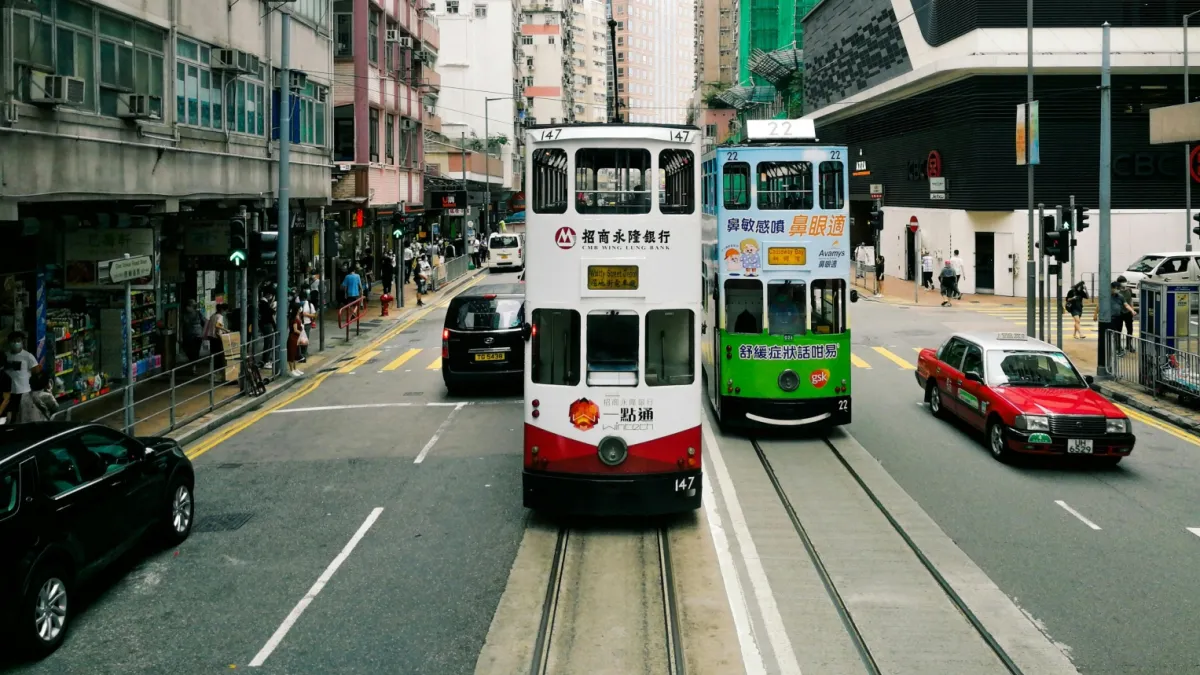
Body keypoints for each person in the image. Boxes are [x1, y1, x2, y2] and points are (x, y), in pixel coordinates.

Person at [5, 331, 42, 420]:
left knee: (23, 416)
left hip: (24, 392)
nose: (15, 343)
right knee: (10, 416)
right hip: (9, 392)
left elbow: (36, 371)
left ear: (22, 342)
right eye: (13, 341)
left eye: (18, 341)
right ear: (9, 342)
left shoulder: (28, 356)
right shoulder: (6, 356)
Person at [203, 304, 229, 371]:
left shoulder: (212, 316)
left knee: (213, 354)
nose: (225, 312)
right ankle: (218, 370)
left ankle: (213, 369)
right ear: (222, 310)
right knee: (219, 355)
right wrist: (226, 330)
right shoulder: (220, 317)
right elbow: (218, 326)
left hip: (211, 337)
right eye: (225, 310)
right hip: (217, 338)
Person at [181, 299, 205, 372]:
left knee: (195, 351)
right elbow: (181, 326)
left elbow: (204, 322)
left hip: (197, 335)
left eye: (189, 306)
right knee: (188, 350)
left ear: (192, 307)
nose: (187, 308)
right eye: (187, 306)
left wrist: (204, 333)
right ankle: (193, 363)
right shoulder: (184, 315)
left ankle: (193, 365)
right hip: (187, 335)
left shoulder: (198, 313)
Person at [1117, 275, 1136, 352]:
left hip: (1128, 312)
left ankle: (1128, 345)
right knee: (1118, 330)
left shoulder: (1129, 290)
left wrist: (1132, 310)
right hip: (1119, 313)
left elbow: (1130, 300)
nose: (1124, 283)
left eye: (1125, 281)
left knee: (1130, 330)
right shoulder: (1117, 291)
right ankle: (1118, 346)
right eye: (1122, 282)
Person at [286, 304, 304, 377]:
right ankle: (291, 370)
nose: (300, 309)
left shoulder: (298, 317)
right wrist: (302, 333)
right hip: (293, 338)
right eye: (299, 308)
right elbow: (295, 330)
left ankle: (295, 368)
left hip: (297, 338)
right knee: (291, 354)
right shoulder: (294, 319)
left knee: (295, 354)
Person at [299, 294, 317, 363]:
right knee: (299, 339)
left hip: (307, 324)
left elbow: (314, 315)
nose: (302, 301)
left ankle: (304, 354)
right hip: (299, 324)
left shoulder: (310, 305)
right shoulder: (298, 304)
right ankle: (300, 354)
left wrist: (306, 314)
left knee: (305, 340)